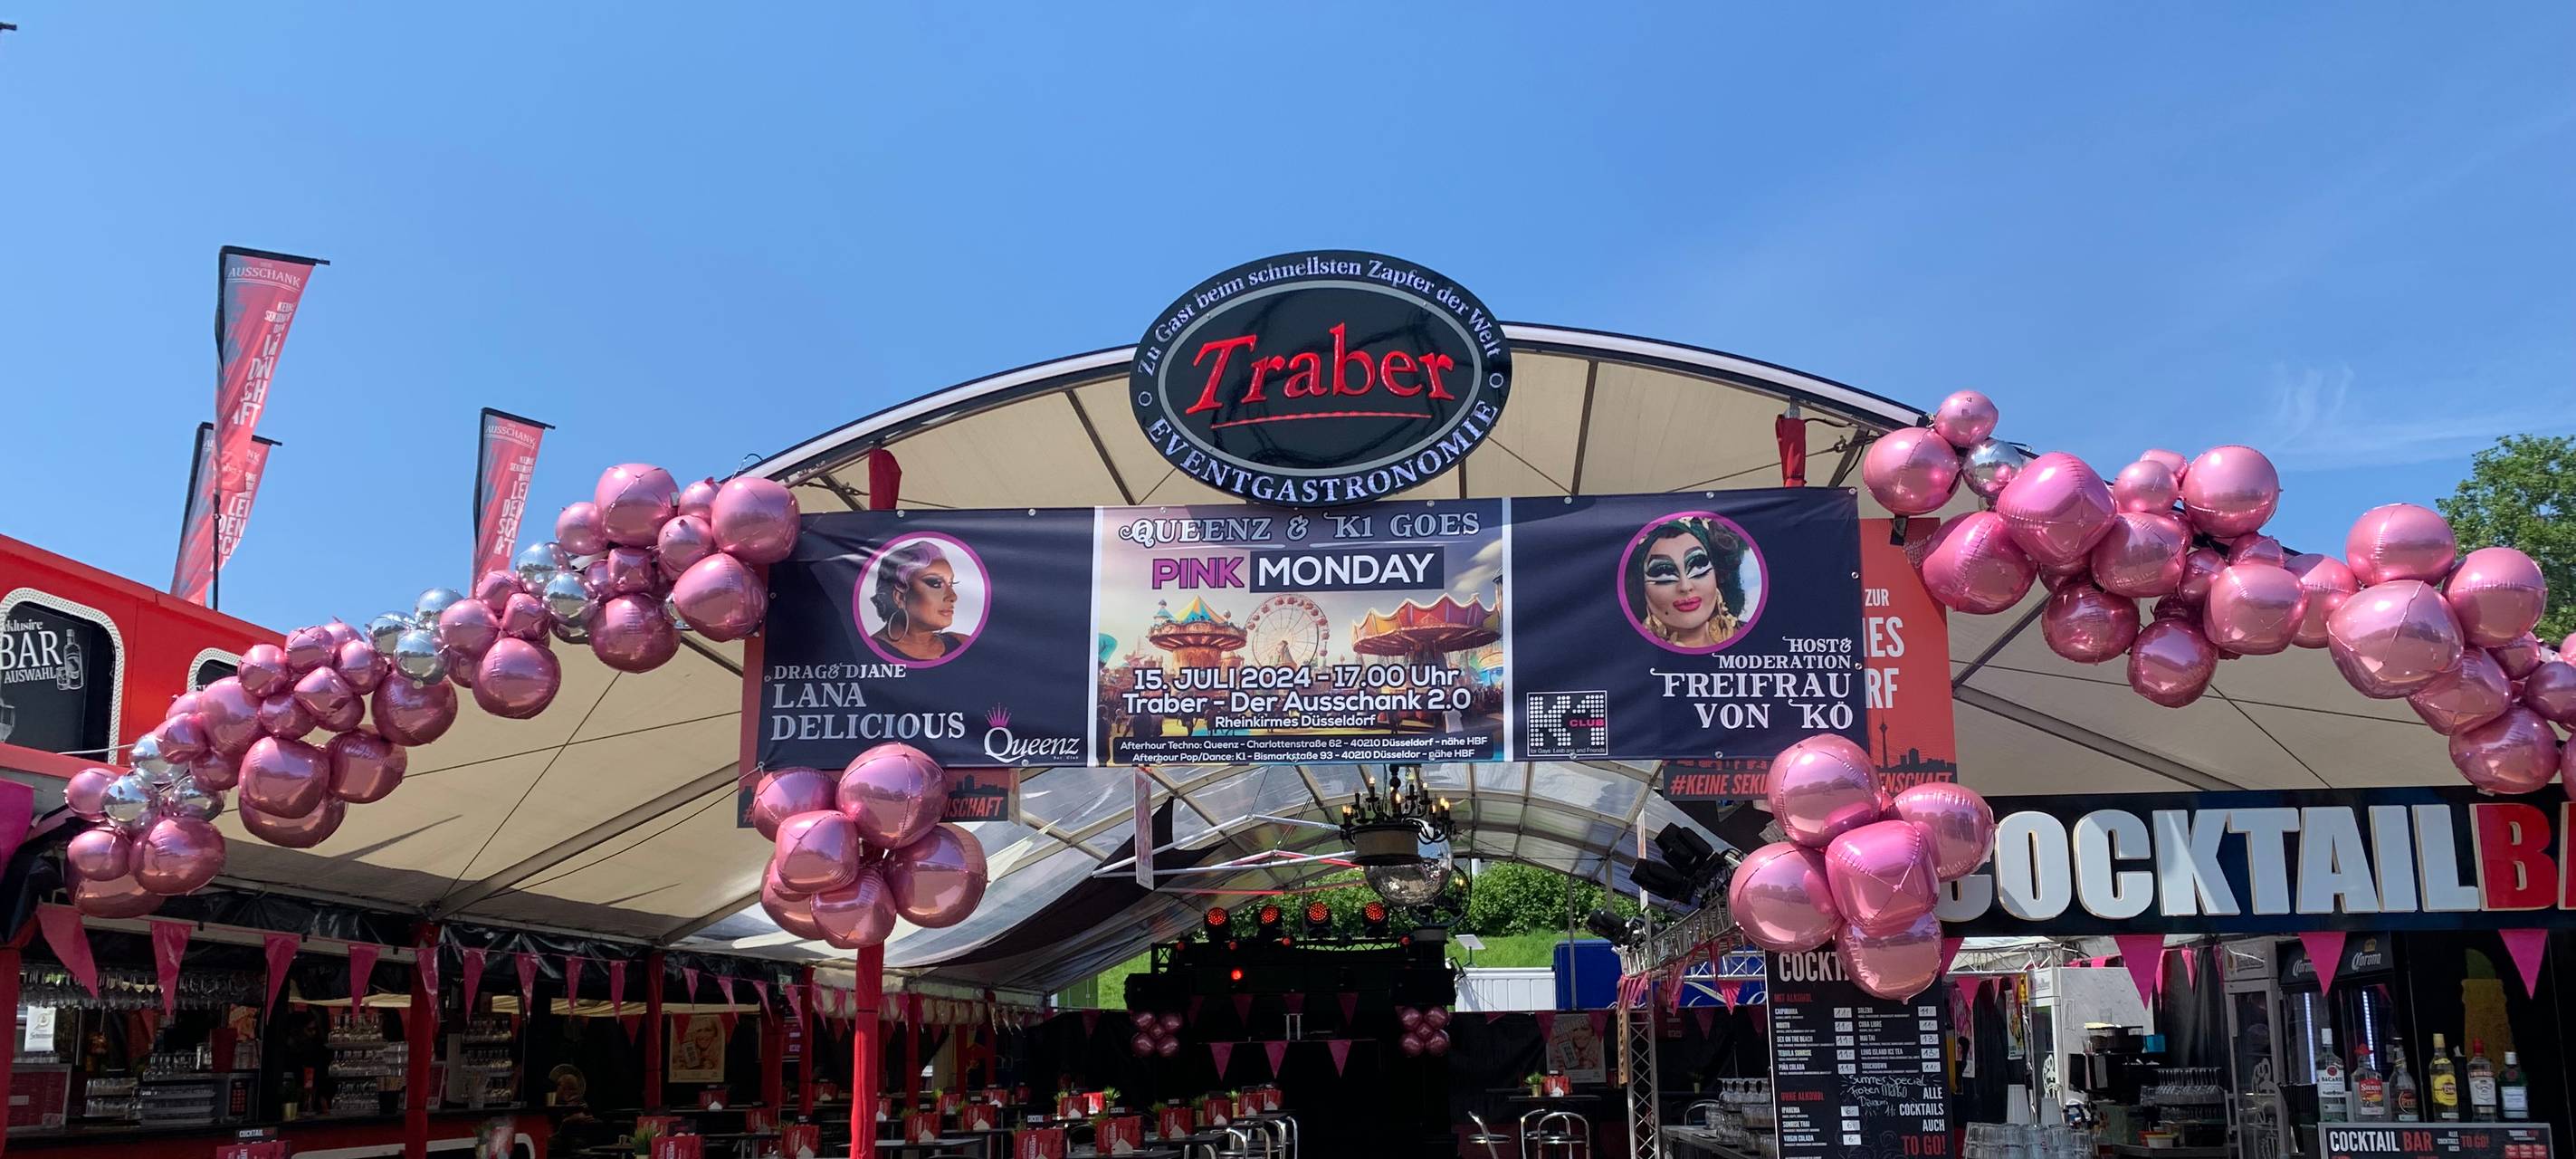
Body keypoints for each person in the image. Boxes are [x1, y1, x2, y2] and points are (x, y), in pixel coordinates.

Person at [1624, 517, 1747, 649]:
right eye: (1663, 571)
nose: (1685, 586)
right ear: (1641, 586)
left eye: (1698, 565)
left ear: (1717, 575)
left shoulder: (1758, 641)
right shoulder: (1629, 658)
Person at [869, 540, 968, 661]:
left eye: (951, 584)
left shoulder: (963, 643)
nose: (953, 596)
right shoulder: (864, 652)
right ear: (899, 596)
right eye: (935, 583)